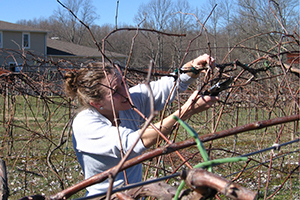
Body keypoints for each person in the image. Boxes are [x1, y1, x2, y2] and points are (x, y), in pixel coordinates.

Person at [63, 54, 219, 196]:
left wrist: (193, 66)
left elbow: (167, 86)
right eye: (115, 91)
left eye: (122, 82)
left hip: (135, 194)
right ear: (96, 103)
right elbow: (134, 142)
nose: (126, 92)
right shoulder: (85, 125)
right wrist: (185, 112)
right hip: (105, 196)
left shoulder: (126, 102)